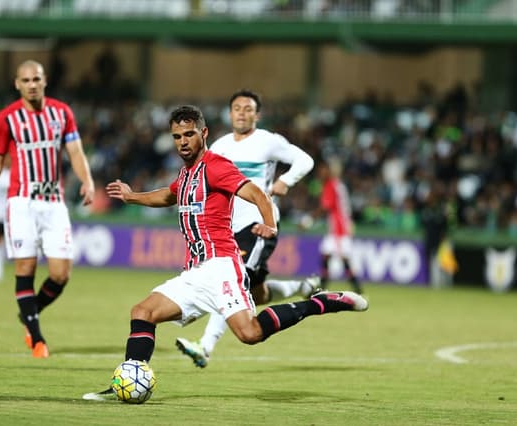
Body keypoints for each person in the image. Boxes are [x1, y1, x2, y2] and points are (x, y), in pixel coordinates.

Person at [82, 105, 367, 401]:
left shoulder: (217, 166)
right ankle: (127, 381)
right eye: (177, 136)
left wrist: (269, 224)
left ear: (203, 133)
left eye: (189, 134)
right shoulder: (186, 173)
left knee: (250, 333)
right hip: (194, 272)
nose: (183, 141)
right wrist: (132, 197)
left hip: (221, 268)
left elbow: (257, 193)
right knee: (143, 312)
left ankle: (318, 303)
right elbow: (169, 194)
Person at [175, 89, 316, 368]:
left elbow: (305, 160)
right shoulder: (219, 146)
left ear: (257, 115)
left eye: (248, 109)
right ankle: (304, 285)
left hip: (258, 224)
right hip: (228, 226)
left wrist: (286, 180)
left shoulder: (268, 142)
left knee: (231, 282)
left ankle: (205, 346)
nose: (242, 112)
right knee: (257, 292)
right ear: (230, 114)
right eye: (237, 108)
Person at [0, 60, 95, 358]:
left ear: (45, 80)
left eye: (36, 79)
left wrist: (88, 181)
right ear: (17, 84)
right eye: (25, 80)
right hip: (22, 202)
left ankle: (29, 313)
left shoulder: (61, 113)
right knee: (25, 268)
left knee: (61, 274)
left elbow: (75, 151)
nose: (31, 84)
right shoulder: (7, 118)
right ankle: (37, 339)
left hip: (54, 202)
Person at [313, 159, 363, 294]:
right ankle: (322, 288)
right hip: (341, 226)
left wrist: (308, 220)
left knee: (343, 258)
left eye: (323, 171)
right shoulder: (338, 185)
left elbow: (325, 207)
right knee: (326, 255)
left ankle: (357, 289)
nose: (320, 174)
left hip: (339, 228)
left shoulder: (331, 185)